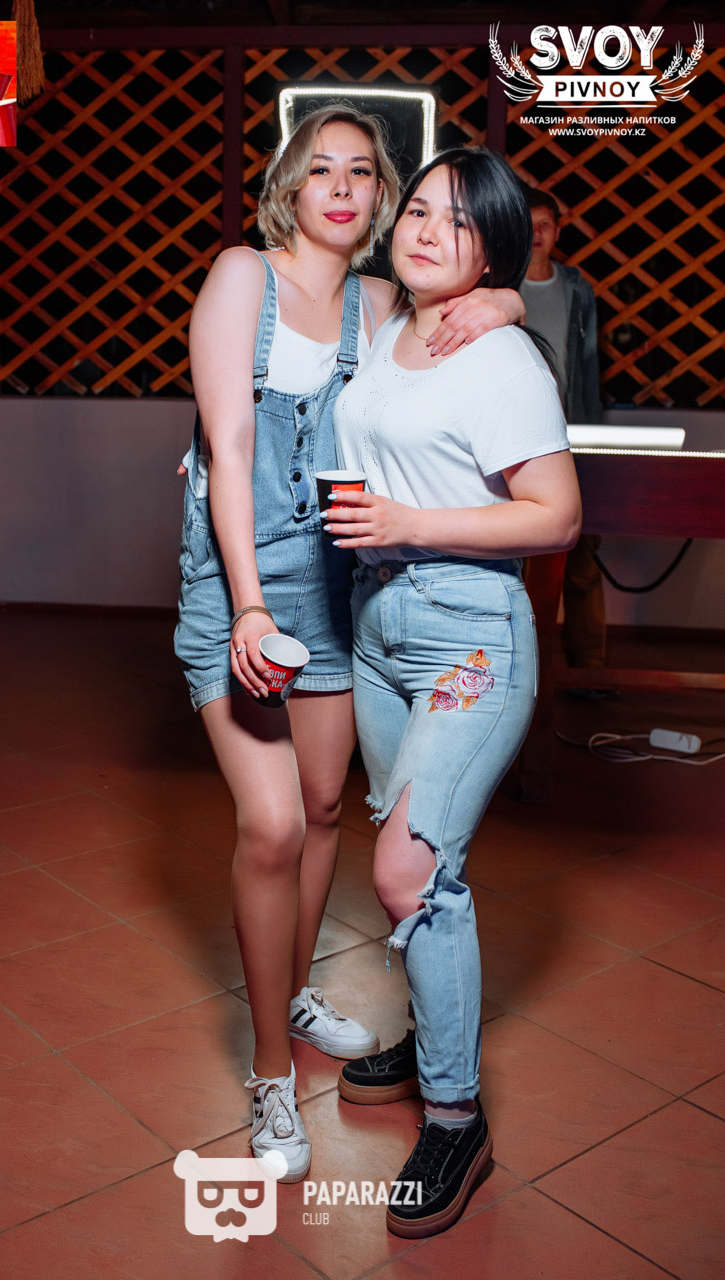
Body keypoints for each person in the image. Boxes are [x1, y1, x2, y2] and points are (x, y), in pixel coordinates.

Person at [174, 105, 525, 1183]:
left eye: (362, 172)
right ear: (289, 184)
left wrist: (506, 297)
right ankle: (270, 1073)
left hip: (340, 589)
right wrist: (246, 607)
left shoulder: (379, 303)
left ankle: (291, 990)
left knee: (327, 807)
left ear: (379, 196)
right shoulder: (243, 276)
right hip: (239, 583)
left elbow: (473, 304)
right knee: (274, 821)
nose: (339, 186)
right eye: (319, 167)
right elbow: (230, 448)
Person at [329, 147, 581, 1234]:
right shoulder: (389, 318)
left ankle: (455, 1115)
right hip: (378, 624)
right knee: (421, 872)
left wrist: (509, 303)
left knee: (406, 869)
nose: (430, 231)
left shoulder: (501, 355)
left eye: (463, 222)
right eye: (421, 209)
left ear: (495, 246)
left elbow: (556, 515)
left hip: (470, 635)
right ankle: (435, 1038)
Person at [521, 186, 606, 673]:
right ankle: (528, 666)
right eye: (528, 224)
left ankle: (589, 664)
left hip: (572, 435)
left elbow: (589, 364)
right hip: (519, 436)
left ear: (558, 230)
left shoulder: (576, 287)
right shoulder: (502, 284)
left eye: (545, 225)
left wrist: (593, 434)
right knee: (522, 556)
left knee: (583, 555)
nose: (536, 234)